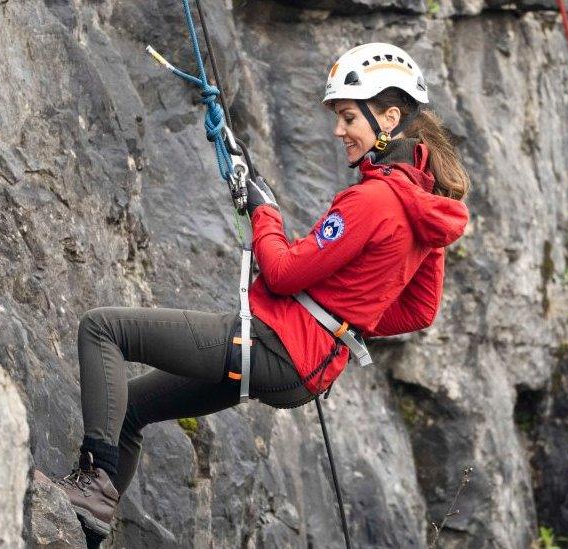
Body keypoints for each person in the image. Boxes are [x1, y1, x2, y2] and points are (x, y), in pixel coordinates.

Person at [51, 42, 470, 537]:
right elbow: (420, 310)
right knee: (133, 409)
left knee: (102, 329)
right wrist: (342, 315)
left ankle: (91, 480)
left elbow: (283, 273)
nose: (339, 131)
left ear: (391, 117)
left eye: (349, 117)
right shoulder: (425, 203)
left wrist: (262, 207)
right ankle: (88, 527)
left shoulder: (374, 200)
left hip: (273, 345)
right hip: (303, 367)